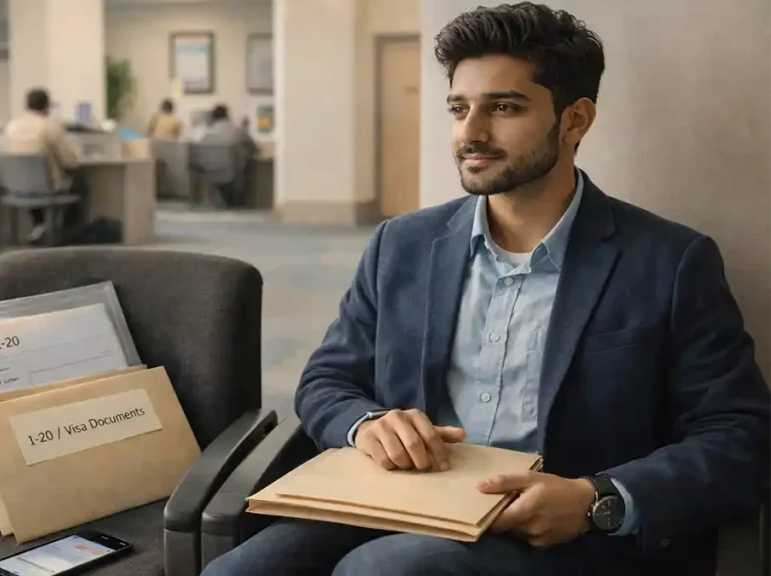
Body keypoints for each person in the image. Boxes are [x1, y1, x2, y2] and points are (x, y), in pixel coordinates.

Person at [202, 3, 771, 576]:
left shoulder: (669, 261)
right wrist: (368, 424)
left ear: (575, 120)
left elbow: (740, 436)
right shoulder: (402, 244)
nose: (470, 133)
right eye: (459, 108)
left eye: (503, 107)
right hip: (397, 500)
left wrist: (598, 499)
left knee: (383, 572)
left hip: (561, 531)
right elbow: (328, 379)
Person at [3, 88, 81, 243]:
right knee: (79, 184)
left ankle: (39, 225)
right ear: (47, 107)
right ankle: (64, 233)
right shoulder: (50, 127)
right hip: (46, 188)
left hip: (18, 188)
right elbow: (70, 161)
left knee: (35, 184)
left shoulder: (11, 127)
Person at [198, 104, 254, 207]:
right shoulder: (236, 131)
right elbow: (253, 147)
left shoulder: (206, 134)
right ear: (227, 115)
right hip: (232, 174)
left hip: (211, 172)